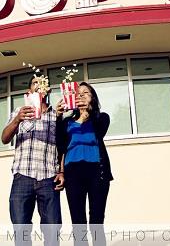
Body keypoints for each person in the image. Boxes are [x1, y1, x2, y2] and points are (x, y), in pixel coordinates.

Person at [1, 76, 64, 246]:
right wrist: (17, 120)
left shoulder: (55, 114)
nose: (39, 85)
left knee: (52, 230)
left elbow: (61, 147)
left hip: (49, 178)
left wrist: (61, 171)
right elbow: (4, 138)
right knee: (21, 230)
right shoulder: (20, 112)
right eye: (35, 82)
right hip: (23, 176)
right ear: (29, 91)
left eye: (43, 82)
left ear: (48, 90)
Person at [56, 82, 113, 246]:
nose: (81, 95)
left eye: (85, 93)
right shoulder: (67, 122)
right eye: (78, 93)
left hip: (97, 172)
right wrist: (59, 116)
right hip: (73, 172)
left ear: (93, 98)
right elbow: (59, 145)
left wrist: (87, 112)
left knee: (96, 220)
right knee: (78, 222)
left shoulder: (101, 118)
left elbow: (99, 132)